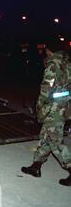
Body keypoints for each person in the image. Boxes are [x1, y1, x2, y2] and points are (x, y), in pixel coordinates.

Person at [21, 39, 71, 186]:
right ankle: (36, 166)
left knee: (54, 142)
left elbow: (46, 89)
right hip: (64, 105)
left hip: (53, 108)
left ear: (50, 50)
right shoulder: (67, 63)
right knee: (45, 137)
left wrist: (39, 106)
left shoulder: (52, 64)